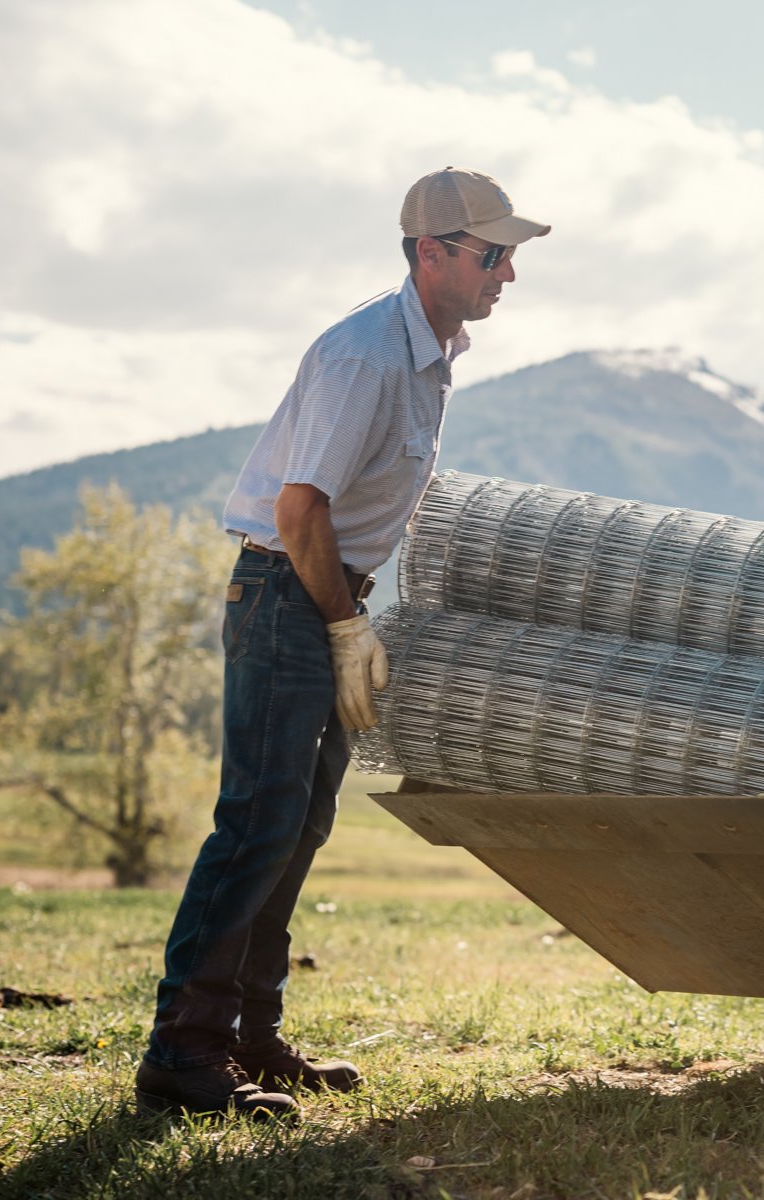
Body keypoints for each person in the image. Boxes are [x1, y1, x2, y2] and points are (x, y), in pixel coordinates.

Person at [135, 168, 549, 1120]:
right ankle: (182, 1051)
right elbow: (299, 508)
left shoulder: (434, 351)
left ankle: (250, 1035)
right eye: (492, 254)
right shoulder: (368, 354)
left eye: (511, 254)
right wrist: (343, 625)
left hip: (317, 594)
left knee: (300, 823)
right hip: (292, 590)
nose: (508, 274)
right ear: (430, 253)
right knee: (257, 823)